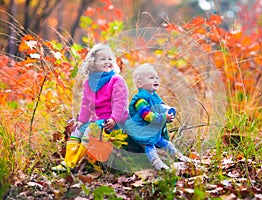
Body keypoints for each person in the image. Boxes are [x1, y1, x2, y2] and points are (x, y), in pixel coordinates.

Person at [52, 43, 129, 171]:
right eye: (103, 59)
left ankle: (75, 164)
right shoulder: (88, 83)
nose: (107, 61)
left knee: (90, 130)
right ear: (93, 63)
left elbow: (120, 103)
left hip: (113, 121)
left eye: (110, 59)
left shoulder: (116, 80)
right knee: (77, 129)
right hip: (97, 120)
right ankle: (68, 162)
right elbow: (85, 105)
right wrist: (81, 121)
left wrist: (114, 119)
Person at [124, 63, 190, 170]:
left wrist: (168, 115)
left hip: (152, 129)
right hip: (142, 129)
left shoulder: (154, 96)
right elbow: (146, 116)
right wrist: (163, 117)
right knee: (149, 145)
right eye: (151, 78)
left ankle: (180, 157)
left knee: (166, 143)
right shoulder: (140, 99)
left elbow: (160, 108)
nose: (156, 80)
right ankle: (157, 164)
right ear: (140, 84)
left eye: (156, 77)